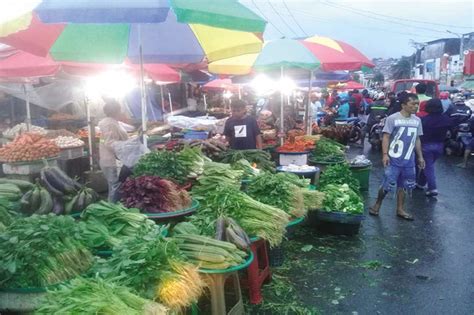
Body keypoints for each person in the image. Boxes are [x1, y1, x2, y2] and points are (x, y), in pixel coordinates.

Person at [369, 93, 425, 221]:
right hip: (393, 159)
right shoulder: (392, 118)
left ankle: (400, 209)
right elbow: (386, 136)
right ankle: (377, 205)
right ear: (404, 105)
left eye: (417, 104)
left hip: (409, 160)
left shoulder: (417, 120)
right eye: (413, 104)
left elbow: (417, 139)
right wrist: (384, 155)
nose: (416, 106)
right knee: (387, 184)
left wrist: (420, 157)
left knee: (405, 185)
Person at [416, 99, 453, 196]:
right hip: (440, 146)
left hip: (426, 145)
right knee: (429, 165)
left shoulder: (424, 120)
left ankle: (432, 188)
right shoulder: (446, 119)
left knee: (428, 166)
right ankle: (420, 183)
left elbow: (419, 134)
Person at [98, 99, 129, 202]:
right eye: (119, 110)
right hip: (111, 160)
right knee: (114, 186)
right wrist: (126, 145)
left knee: (114, 185)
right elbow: (110, 142)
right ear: (116, 111)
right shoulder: (109, 124)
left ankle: (114, 205)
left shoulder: (112, 122)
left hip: (111, 159)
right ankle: (112, 208)